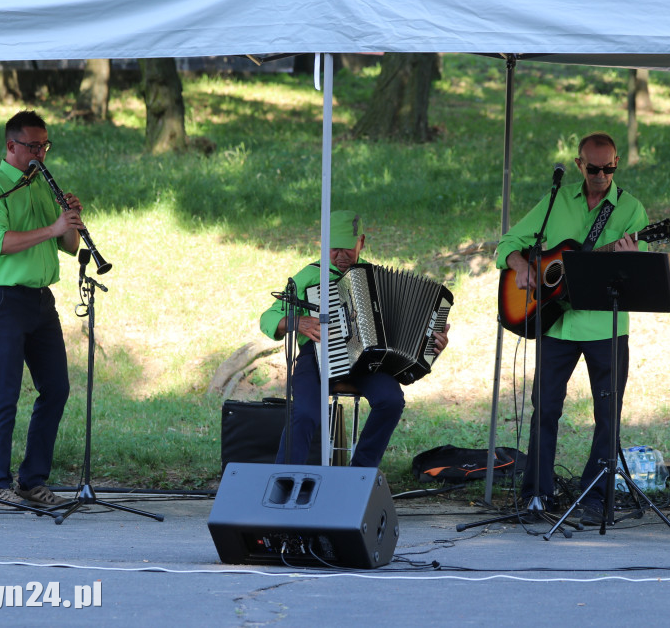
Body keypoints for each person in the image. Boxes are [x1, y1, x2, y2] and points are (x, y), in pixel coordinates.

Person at [496, 132, 647, 523]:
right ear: (579, 165)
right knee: (544, 410)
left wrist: (631, 260)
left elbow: (641, 275)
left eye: (609, 167)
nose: (601, 175)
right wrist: (522, 264)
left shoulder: (630, 210)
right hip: (556, 324)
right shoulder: (556, 200)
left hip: (605, 326)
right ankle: (536, 496)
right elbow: (508, 242)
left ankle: (595, 498)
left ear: (616, 163)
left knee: (607, 415)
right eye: (594, 168)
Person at [259, 210, 449, 468]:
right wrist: (296, 322)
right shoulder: (309, 277)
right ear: (322, 246)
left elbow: (408, 336)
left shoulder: (372, 277)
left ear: (362, 242)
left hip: (365, 360)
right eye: (333, 249)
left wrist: (431, 347)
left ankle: (360, 472)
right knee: (305, 413)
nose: (341, 256)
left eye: (347, 249)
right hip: (316, 356)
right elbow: (269, 317)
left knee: (391, 401)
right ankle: (285, 478)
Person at [0, 110, 85, 509]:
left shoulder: (40, 185)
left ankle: (31, 480)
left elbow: (69, 247)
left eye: (45, 145)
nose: (40, 153)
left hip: (41, 300)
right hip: (4, 298)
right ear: (11, 146)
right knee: (4, 394)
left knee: (56, 388)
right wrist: (52, 228)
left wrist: (70, 220)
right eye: (33, 146)